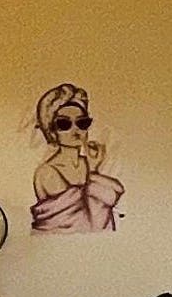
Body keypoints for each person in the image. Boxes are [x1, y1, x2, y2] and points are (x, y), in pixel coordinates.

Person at [30, 82, 124, 233]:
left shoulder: (90, 163)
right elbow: (81, 224)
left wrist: (93, 170)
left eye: (82, 123)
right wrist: (93, 175)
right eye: (64, 124)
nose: (76, 130)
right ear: (51, 131)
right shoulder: (47, 172)